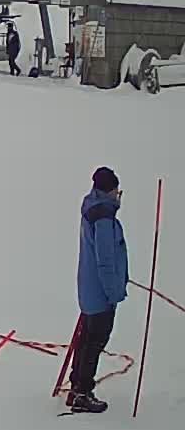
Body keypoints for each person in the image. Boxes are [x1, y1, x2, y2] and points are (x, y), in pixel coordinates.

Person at [69, 167, 130, 414]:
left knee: (86, 340)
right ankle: (83, 393)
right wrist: (114, 291)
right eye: (118, 191)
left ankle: (77, 386)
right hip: (101, 293)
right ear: (111, 191)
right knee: (94, 342)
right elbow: (105, 259)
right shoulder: (104, 218)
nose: (119, 196)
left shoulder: (92, 210)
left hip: (89, 288)